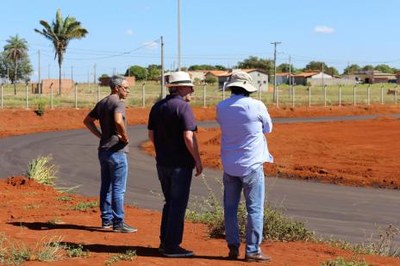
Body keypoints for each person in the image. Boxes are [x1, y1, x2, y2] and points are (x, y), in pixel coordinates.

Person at [216, 71, 273, 262]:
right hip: (252, 164)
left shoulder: (221, 107)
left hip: (229, 164)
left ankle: (233, 247)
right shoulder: (256, 105)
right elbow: (268, 128)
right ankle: (252, 250)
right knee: (254, 209)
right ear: (248, 88)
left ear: (231, 87)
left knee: (230, 208)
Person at [147, 71, 203, 258]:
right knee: (178, 204)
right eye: (189, 86)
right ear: (178, 87)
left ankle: (165, 241)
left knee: (169, 202)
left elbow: (151, 135)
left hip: (162, 162)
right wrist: (197, 159)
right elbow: (189, 136)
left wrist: (161, 151)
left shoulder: (157, 106)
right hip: (180, 164)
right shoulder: (184, 108)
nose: (192, 90)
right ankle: (171, 245)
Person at [83, 75, 137, 233]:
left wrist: (101, 136)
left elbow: (87, 121)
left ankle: (106, 220)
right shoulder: (118, 103)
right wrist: (125, 136)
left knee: (106, 186)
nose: (127, 91)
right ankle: (118, 223)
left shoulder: (102, 103)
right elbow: (118, 120)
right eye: (125, 88)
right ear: (116, 88)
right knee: (119, 189)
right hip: (117, 151)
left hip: (104, 151)